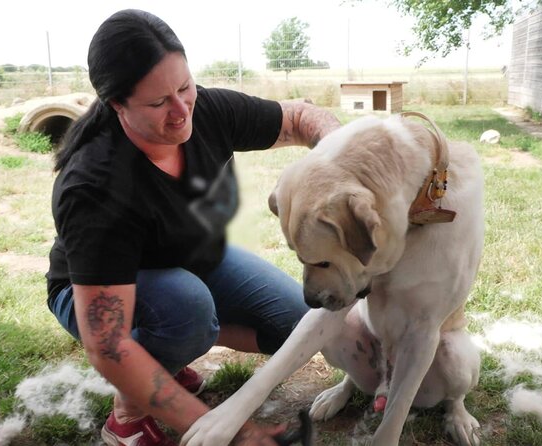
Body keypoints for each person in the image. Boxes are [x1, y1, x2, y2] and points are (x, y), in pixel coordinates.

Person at [45, 9, 341, 446]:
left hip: (193, 258)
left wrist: (345, 153)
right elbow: (106, 344)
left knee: (298, 323)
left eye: (184, 87)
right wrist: (232, 434)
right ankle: (127, 415)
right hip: (94, 293)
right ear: (117, 105)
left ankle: (162, 356)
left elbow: (298, 118)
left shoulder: (208, 109)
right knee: (187, 310)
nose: (182, 110)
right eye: (158, 102)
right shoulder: (95, 186)